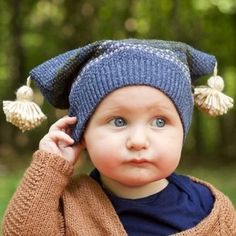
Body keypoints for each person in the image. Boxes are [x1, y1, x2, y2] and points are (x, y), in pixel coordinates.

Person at [2, 39, 236, 235]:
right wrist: (50, 167)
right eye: (119, 121)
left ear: (183, 131)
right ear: (81, 133)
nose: (138, 141)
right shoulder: (65, 205)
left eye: (160, 122)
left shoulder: (209, 206)